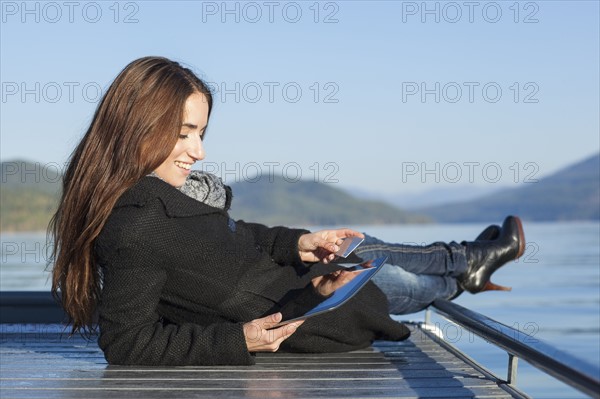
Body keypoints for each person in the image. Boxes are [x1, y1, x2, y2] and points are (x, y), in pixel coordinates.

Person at [50, 56, 525, 366]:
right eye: (183, 133)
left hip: (300, 283)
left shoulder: (165, 197)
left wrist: (295, 242)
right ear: (136, 125)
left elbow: (232, 239)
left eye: (200, 133)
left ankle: (469, 263)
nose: (198, 151)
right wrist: (240, 341)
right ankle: (467, 266)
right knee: (406, 284)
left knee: (364, 250)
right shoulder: (136, 224)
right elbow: (127, 343)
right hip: (313, 312)